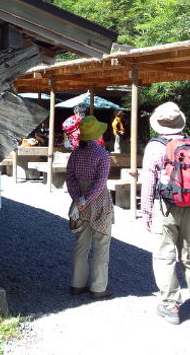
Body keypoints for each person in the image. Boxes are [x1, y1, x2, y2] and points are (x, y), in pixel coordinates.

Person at [141, 101, 190, 325]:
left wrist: (146, 212)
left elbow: (148, 182)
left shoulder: (154, 147)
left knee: (164, 257)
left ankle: (171, 306)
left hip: (165, 208)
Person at [65, 115, 113, 300]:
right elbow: (101, 182)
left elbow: (70, 179)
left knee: (81, 245)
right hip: (100, 202)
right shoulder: (103, 154)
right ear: (97, 134)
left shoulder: (75, 154)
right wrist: (87, 199)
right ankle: (98, 287)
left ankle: (77, 284)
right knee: (101, 244)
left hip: (79, 204)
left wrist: (78, 199)